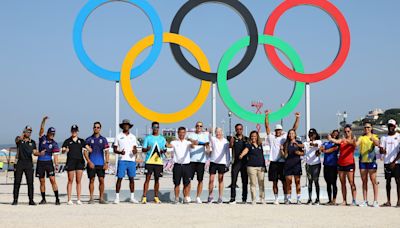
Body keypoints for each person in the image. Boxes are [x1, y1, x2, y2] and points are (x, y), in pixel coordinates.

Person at [265, 111, 300, 204]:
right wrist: (267, 116)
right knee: (274, 182)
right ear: (275, 131)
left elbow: (294, 129)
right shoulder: (271, 137)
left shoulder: (285, 137)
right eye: (277, 130)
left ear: (282, 130)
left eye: (279, 130)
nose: (278, 131)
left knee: (285, 182)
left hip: (283, 162)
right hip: (273, 162)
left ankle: (285, 198)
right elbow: (267, 126)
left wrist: (297, 118)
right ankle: (276, 199)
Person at [328, 125, 357, 206]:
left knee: (351, 182)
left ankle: (354, 200)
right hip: (341, 164)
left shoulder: (353, 139)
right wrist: (331, 139)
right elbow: (337, 141)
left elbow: (354, 144)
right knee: (342, 183)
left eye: (348, 131)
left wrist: (346, 141)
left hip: (350, 163)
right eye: (345, 131)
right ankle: (344, 200)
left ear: (351, 131)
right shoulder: (342, 140)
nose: (347, 133)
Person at [62, 125, 89, 205]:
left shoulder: (81, 140)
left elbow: (88, 148)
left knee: (78, 181)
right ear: (71, 131)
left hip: (80, 162)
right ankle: (69, 199)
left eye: (75, 131)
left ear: (77, 131)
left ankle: (78, 199)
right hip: (70, 162)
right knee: (70, 180)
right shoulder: (67, 141)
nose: (74, 132)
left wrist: (90, 149)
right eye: (73, 130)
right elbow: (63, 150)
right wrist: (64, 150)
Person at [113, 119, 139, 204]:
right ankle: (117, 198)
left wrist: (135, 151)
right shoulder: (118, 136)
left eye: (127, 125)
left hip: (131, 160)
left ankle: (132, 197)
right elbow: (114, 149)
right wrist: (120, 152)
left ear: (129, 126)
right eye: (124, 125)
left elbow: (135, 148)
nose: (126, 126)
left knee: (131, 179)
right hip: (122, 160)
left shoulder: (133, 136)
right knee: (119, 178)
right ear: (122, 126)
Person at [167, 127, 195, 204]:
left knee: (186, 183)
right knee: (177, 183)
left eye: (183, 132)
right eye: (180, 132)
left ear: (185, 133)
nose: (182, 134)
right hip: (177, 165)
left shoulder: (188, 142)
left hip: (187, 165)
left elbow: (193, 146)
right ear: (178, 133)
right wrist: (165, 143)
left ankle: (185, 198)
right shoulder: (174, 142)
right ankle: (176, 198)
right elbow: (169, 146)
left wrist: (191, 141)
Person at [36, 116, 60, 205]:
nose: (52, 134)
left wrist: (56, 165)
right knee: (42, 181)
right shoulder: (43, 138)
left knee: (52, 180)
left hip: (49, 163)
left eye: (53, 133)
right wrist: (43, 120)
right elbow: (41, 129)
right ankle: (43, 199)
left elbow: (56, 156)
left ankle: (57, 199)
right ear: (48, 132)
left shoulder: (54, 143)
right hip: (40, 162)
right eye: (50, 133)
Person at [84, 122, 110, 204]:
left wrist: (107, 163)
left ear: (100, 128)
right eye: (95, 127)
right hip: (92, 163)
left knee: (101, 180)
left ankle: (101, 198)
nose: (96, 128)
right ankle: (91, 198)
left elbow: (107, 152)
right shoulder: (88, 139)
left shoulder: (104, 139)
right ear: (93, 128)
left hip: (101, 163)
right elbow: (85, 152)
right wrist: (89, 162)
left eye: (98, 127)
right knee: (91, 180)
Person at [141, 121, 167, 204]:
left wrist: (163, 151)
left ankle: (156, 197)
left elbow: (165, 148)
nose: (156, 129)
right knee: (147, 179)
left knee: (157, 179)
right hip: (149, 161)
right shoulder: (148, 138)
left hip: (158, 162)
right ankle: (144, 197)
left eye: (157, 127)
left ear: (159, 128)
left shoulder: (162, 138)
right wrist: (147, 149)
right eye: (154, 127)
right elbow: (143, 149)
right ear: (152, 128)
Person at [356, 122, 380, 207]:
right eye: (365, 127)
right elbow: (356, 144)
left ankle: (375, 201)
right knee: (364, 181)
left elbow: (378, 144)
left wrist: (373, 140)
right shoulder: (362, 137)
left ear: (371, 128)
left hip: (371, 161)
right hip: (362, 161)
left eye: (368, 127)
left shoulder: (374, 136)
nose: (367, 129)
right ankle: (365, 201)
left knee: (373, 181)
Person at [239, 131, 266, 205]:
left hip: (261, 167)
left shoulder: (260, 145)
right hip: (251, 167)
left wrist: (264, 165)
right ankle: (254, 199)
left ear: (257, 137)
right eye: (252, 136)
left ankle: (262, 198)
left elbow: (262, 155)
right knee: (253, 183)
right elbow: (246, 150)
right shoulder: (249, 145)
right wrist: (241, 155)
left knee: (261, 183)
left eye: (255, 136)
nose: (253, 137)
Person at [12, 126, 37, 206]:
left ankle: (31, 200)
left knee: (30, 183)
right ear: (24, 131)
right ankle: (15, 200)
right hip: (19, 163)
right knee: (17, 182)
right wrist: (23, 134)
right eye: (27, 131)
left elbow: (35, 152)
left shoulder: (32, 142)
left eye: (30, 132)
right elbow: (17, 139)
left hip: (29, 163)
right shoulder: (19, 140)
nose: (28, 133)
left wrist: (40, 154)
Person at [379, 119, 400, 207]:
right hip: (387, 162)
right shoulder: (384, 137)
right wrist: (382, 150)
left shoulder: (399, 136)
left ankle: (399, 201)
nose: (390, 127)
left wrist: (394, 161)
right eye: (389, 126)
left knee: (398, 182)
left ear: (395, 126)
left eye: (392, 126)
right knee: (388, 182)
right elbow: (381, 151)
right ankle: (388, 201)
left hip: (397, 163)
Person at [187, 121, 209, 204]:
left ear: (202, 127)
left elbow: (207, 145)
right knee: (189, 179)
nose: (199, 127)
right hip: (191, 160)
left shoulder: (205, 136)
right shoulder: (191, 135)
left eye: (200, 126)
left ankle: (198, 197)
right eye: (197, 126)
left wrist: (206, 147)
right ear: (195, 126)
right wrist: (193, 142)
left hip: (201, 161)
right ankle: (187, 196)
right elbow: (189, 141)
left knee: (200, 180)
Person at [207, 128, 231, 204]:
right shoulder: (213, 139)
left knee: (220, 180)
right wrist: (209, 133)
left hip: (222, 163)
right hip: (213, 162)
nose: (218, 133)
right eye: (217, 132)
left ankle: (220, 197)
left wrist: (228, 163)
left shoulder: (225, 141)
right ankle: (210, 196)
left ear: (222, 132)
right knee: (211, 180)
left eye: (219, 132)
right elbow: (210, 138)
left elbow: (227, 153)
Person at [282, 129, 304, 204]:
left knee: (297, 182)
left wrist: (299, 153)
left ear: (295, 134)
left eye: (292, 133)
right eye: (290, 133)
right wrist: (281, 150)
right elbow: (285, 156)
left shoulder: (299, 142)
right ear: (288, 135)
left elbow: (303, 153)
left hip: (297, 164)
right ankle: (289, 199)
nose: (291, 135)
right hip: (288, 165)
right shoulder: (286, 143)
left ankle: (298, 199)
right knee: (289, 182)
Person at [229, 123, 248, 204]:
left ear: (242, 129)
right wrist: (231, 142)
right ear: (235, 130)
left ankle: (244, 198)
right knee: (233, 181)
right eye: (237, 129)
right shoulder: (233, 138)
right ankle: (233, 198)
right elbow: (230, 146)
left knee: (245, 181)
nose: (239, 130)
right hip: (235, 163)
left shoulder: (246, 139)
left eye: (240, 129)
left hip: (244, 163)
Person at [320, 130, 340, 205]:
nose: (334, 135)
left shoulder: (337, 143)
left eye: (336, 134)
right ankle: (329, 200)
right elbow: (321, 148)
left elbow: (333, 149)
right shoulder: (326, 143)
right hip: (326, 165)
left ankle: (334, 200)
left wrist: (324, 150)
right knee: (328, 183)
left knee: (333, 183)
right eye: (333, 134)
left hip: (333, 165)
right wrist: (323, 149)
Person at [304, 129, 322, 205]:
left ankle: (317, 199)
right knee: (309, 182)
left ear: (315, 135)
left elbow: (318, 146)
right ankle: (310, 199)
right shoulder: (306, 143)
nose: (311, 136)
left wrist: (313, 144)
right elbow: (302, 146)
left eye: (312, 134)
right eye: (310, 134)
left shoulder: (318, 141)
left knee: (316, 181)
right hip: (308, 164)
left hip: (316, 164)